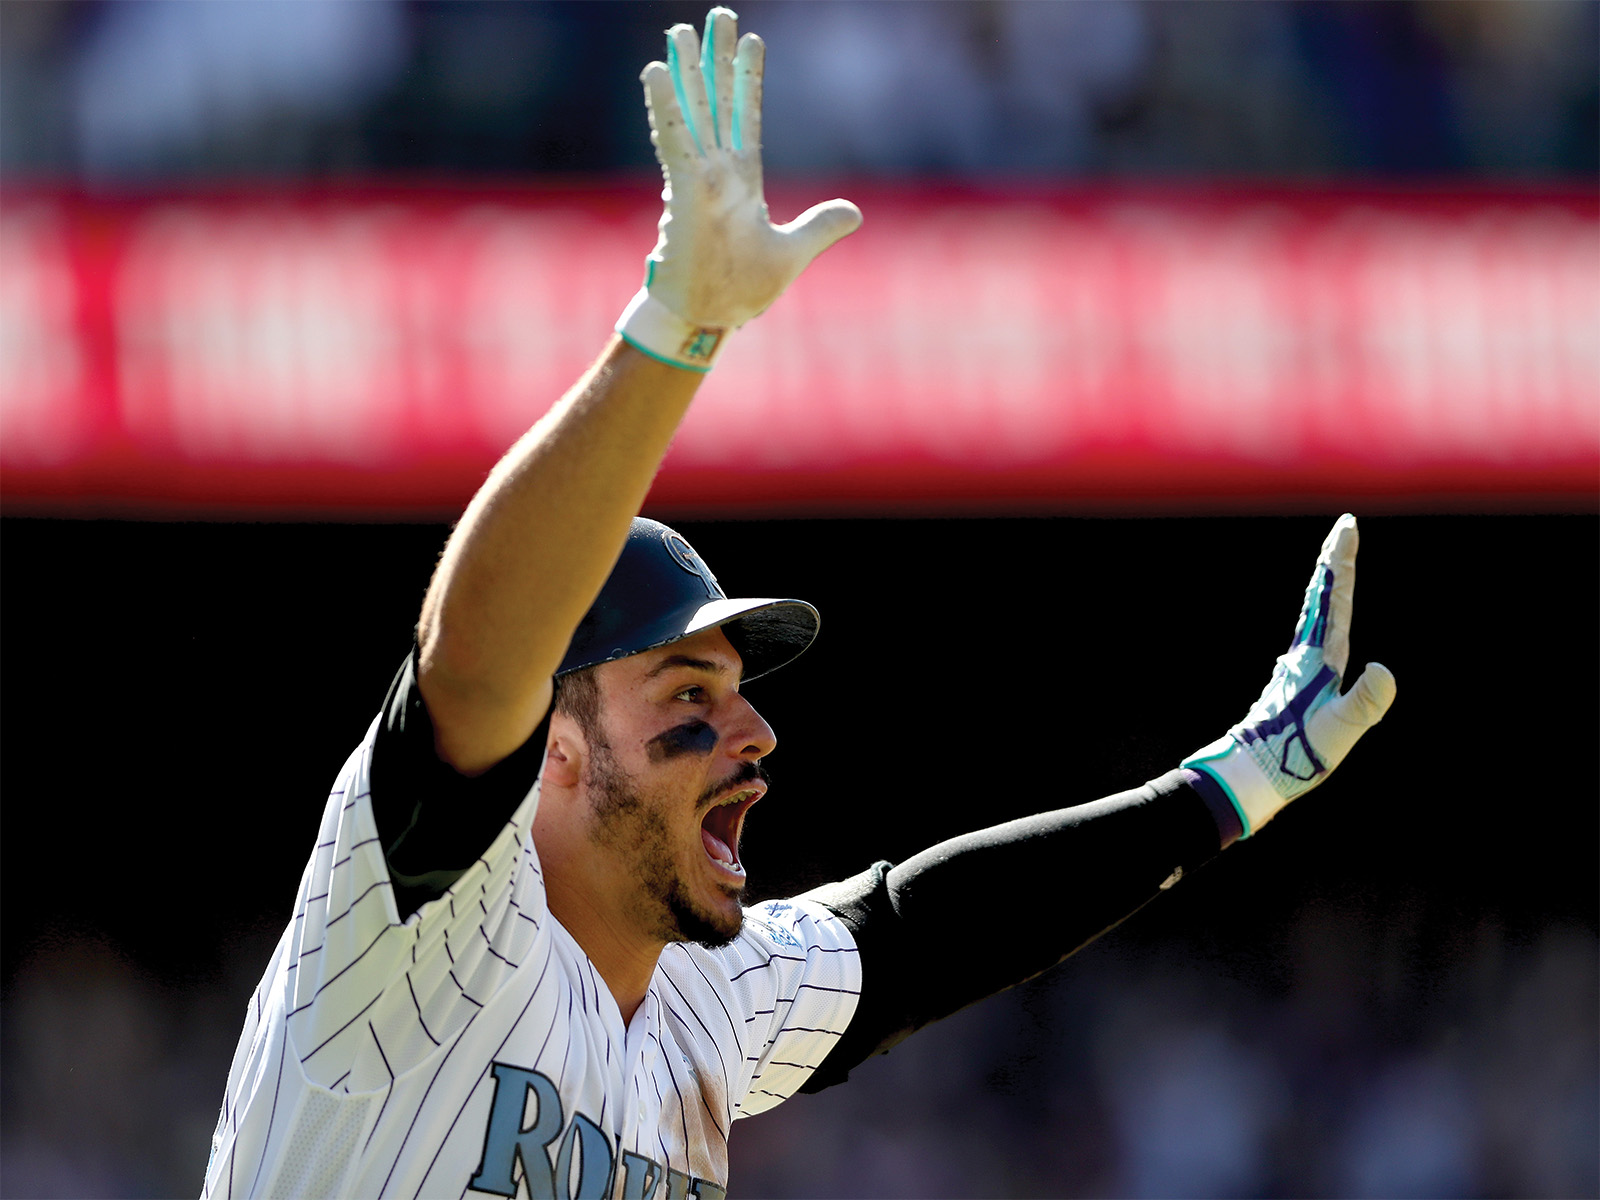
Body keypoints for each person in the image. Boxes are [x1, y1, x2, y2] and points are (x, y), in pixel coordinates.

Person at [202, 10, 1396, 1198]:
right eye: (686, 692)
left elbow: (920, 937)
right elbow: (468, 661)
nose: (754, 732)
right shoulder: (425, 929)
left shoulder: (698, 1000)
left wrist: (1228, 788)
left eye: (734, 694)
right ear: (554, 748)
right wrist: (678, 331)